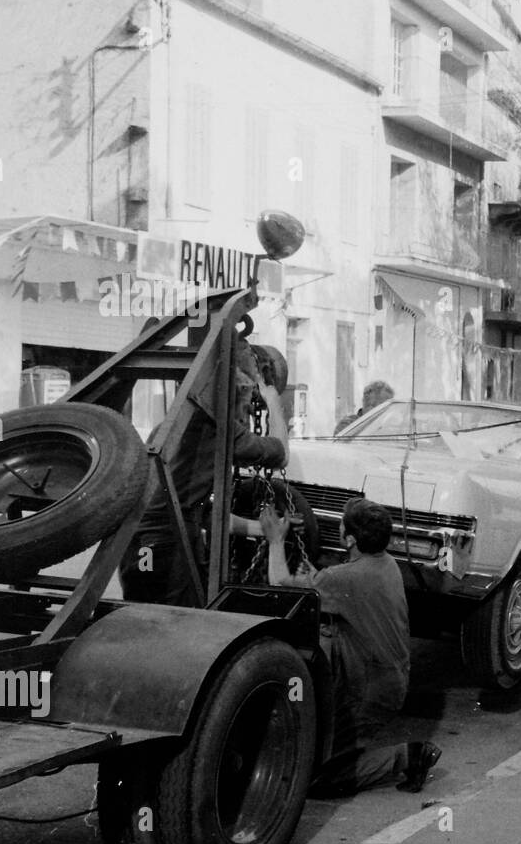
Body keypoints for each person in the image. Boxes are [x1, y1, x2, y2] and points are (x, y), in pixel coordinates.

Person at [261, 496, 441, 795]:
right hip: (390, 679)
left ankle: (407, 757)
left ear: (350, 539)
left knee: (316, 780)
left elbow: (279, 582)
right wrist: (314, 580)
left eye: (342, 526)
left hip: (370, 692)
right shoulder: (387, 564)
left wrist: (275, 540)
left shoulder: (343, 578)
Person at [120, 336, 288, 607]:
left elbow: (202, 512)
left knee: (141, 613)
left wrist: (264, 530)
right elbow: (282, 456)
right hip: (167, 545)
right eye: (246, 402)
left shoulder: (167, 428)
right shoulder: (221, 432)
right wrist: (272, 400)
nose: (247, 411)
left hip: (137, 544)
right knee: (175, 621)